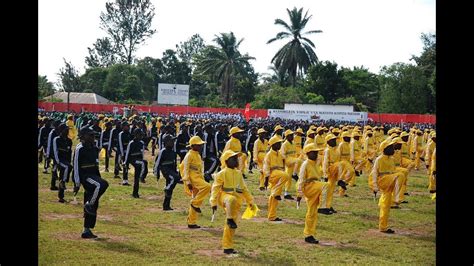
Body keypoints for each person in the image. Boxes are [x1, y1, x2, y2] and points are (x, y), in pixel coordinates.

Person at [210, 150, 255, 254]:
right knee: (231, 200)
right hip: (225, 198)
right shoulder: (221, 174)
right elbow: (215, 189)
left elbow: (244, 189)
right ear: (226, 161)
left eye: (237, 158)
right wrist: (213, 202)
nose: (236, 160)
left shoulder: (238, 173)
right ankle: (230, 221)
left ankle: (228, 246)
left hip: (235, 202)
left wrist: (250, 201)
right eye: (233, 158)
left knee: (231, 225)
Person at [73, 127, 109, 239]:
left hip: (94, 176)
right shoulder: (80, 148)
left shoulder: (94, 148)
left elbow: (96, 165)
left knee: (94, 203)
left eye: (94, 135)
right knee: (102, 185)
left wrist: (98, 176)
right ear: (83, 136)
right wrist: (77, 183)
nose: (93, 137)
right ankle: (89, 204)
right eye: (90, 135)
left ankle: (86, 230)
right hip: (85, 176)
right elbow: (76, 166)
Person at [368, 140, 404, 234]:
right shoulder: (379, 159)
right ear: (384, 149)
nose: (393, 149)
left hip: (389, 181)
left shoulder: (391, 159)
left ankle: (383, 227)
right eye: (390, 147)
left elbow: (392, 172)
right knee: (400, 175)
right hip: (382, 180)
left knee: (386, 206)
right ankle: (396, 198)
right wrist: (375, 186)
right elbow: (374, 173)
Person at [296, 143, 328, 244]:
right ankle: (322, 207)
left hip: (314, 187)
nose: (316, 154)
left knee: (312, 213)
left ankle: (308, 235)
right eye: (314, 152)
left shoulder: (315, 163)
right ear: (308, 153)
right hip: (309, 187)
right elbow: (301, 179)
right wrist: (299, 194)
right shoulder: (305, 164)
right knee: (325, 185)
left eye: (316, 152)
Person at [180, 136, 211, 229]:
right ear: (193, 146)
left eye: (201, 145)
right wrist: (188, 182)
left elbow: (199, 169)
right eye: (199, 145)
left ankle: (191, 222)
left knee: (195, 198)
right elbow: (185, 169)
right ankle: (195, 203)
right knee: (207, 186)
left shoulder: (197, 154)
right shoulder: (189, 155)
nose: (201, 146)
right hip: (192, 179)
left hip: (198, 178)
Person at [263, 135, 290, 221]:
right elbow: (266, 167)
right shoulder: (269, 155)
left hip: (279, 175)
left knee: (273, 198)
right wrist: (266, 180)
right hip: (272, 174)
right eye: (278, 143)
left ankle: (272, 216)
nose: (280, 145)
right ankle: (276, 193)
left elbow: (283, 164)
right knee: (286, 175)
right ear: (273, 145)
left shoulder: (279, 154)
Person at [154, 135, 181, 210]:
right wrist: (157, 173)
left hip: (171, 170)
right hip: (165, 170)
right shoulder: (163, 151)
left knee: (171, 188)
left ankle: (166, 205)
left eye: (173, 141)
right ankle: (167, 189)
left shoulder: (173, 153)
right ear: (165, 142)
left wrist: (176, 172)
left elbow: (174, 164)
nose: (173, 142)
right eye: (171, 141)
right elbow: (157, 162)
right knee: (174, 180)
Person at [124, 128, 148, 198]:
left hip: (139, 160)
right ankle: (142, 178)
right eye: (140, 135)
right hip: (132, 159)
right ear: (136, 135)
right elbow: (128, 153)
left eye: (141, 135)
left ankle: (135, 193)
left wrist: (141, 160)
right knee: (143, 165)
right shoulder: (131, 143)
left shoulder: (141, 143)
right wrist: (126, 163)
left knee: (136, 178)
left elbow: (142, 154)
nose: (141, 136)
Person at [52, 123, 73, 203]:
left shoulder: (69, 141)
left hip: (65, 161)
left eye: (67, 129)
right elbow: (55, 151)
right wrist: (57, 162)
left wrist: (69, 161)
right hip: (59, 160)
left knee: (68, 168)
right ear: (61, 130)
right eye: (65, 129)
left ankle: (61, 196)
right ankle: (63, 182)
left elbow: (70, 152)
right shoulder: (56, 139)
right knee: (67, 168)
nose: (67, 131)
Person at [280, 129, 302, 200]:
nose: (293, 136)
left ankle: (286, 193)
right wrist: (284, 164)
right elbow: (283, 155)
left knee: (288, 178)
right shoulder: (284, 144)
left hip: (293, 161)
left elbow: (294, 153)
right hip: (288, 161)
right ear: (287, 136)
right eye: (291, 135)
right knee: (298, 161)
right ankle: (294, 174)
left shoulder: (293, 143)